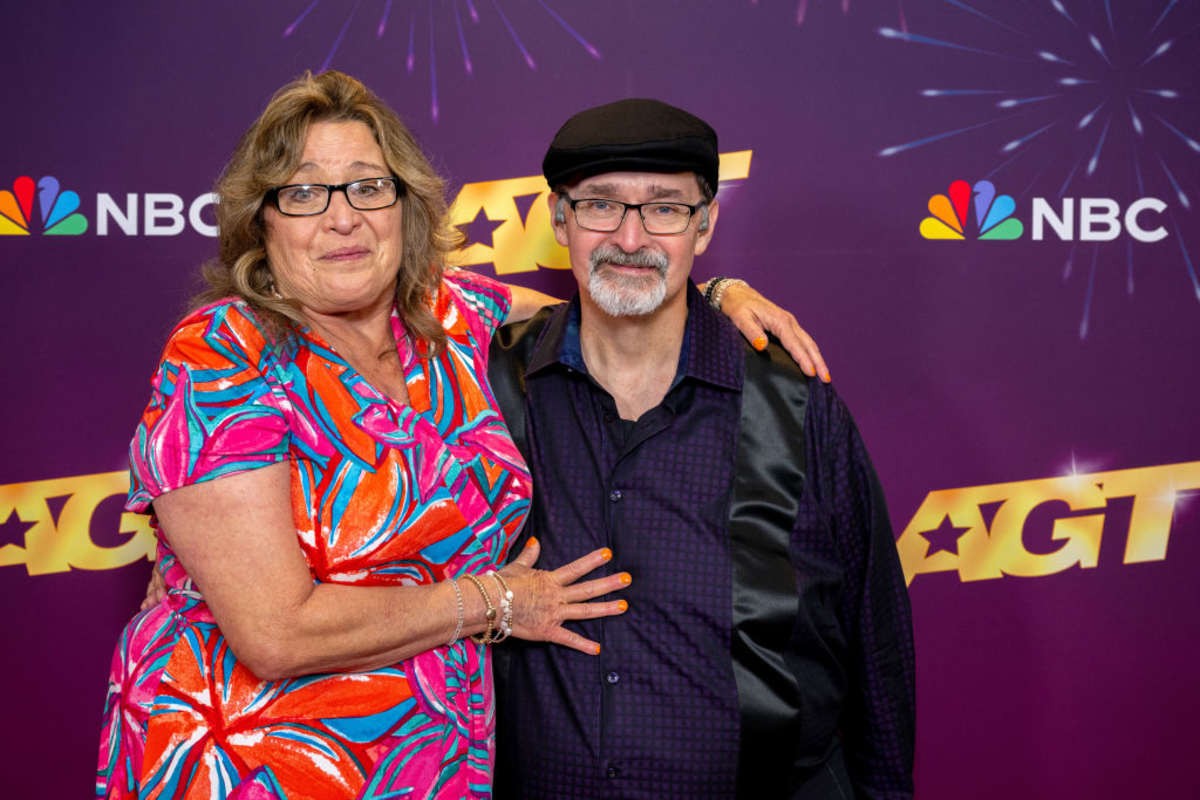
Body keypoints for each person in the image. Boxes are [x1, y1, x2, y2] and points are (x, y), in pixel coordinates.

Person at [100, 72, 827, 799]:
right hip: (255, 765)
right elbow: (277, 633)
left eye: (366, 187)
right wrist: (500, 603)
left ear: (405, 206)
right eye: (302, 194)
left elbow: (617, 307)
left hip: (434, 765)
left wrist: (717, 293)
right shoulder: (223, 354)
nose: (341, 219)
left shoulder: (450, 315)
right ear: (262, 222)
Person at [489, 99, 915, 799]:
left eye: (664, 208)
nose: (630, 237)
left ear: (706, 224)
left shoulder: (793, 400)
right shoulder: (487, 389)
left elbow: (875, 637)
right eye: (601, 205)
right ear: (559, 219)